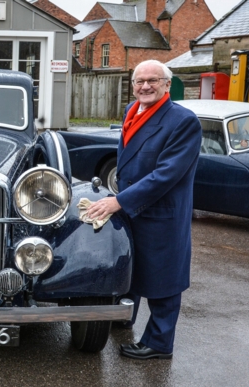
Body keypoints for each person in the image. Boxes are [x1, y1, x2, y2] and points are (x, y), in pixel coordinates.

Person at [87, 60, 201, 360]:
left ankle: (160, 343)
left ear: (167, 84)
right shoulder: (131, 110)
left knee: (164, 280)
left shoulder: (183, 121)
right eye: (140, 81)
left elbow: (165, 175)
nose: (146, 86)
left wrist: (118, 201)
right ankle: (123, 318)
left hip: (160, 213)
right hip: (132, 208)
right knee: (129, 268)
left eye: (153, 80)